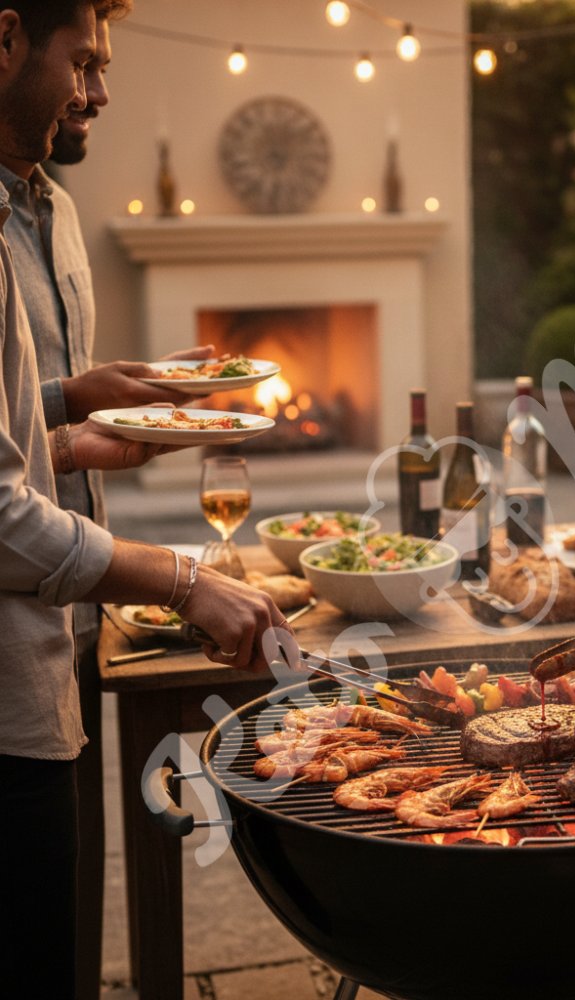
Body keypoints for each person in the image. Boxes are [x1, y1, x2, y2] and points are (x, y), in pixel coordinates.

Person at [0, 3, 292, 995]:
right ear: (5, 40)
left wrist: (76, 405)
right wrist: (180, 578)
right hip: (8, 664)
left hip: (61, 627)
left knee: (64, 916)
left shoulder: (48, 211)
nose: (98, 91)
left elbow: (10, 422)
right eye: (81, 60)